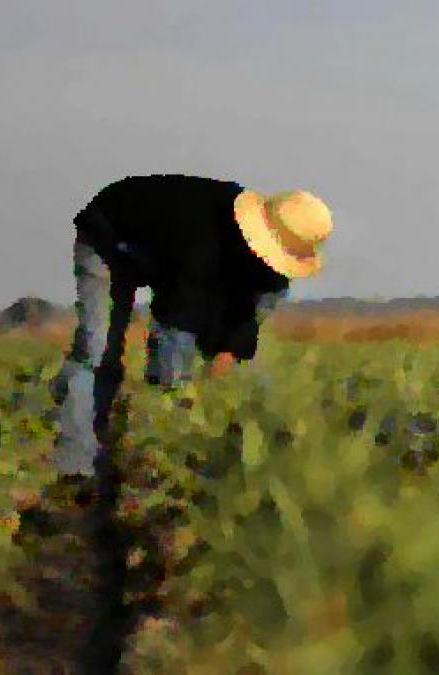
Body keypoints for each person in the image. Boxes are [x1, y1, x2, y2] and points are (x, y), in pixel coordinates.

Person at [46, 174, 334, 507]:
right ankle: (76, 471)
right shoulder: (200, 242)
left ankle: (203, 462)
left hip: (169, 257)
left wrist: (228, 358)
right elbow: (173, 328)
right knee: (98, 353)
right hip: (111, 235)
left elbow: (242, 327)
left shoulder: (268, 277)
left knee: (237, 363)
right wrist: (175, 407)